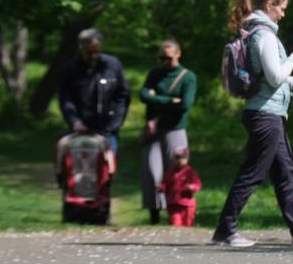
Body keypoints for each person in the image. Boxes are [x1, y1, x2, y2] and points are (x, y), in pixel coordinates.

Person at [212, 0, 293, 248]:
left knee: (285, 172)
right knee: (253, 173)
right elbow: (276, 75)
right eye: (282, 8)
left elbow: (271, 77)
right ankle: (225, 230)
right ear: (269, 5)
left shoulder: (259, 33)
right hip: (265, 116)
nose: (284, 14)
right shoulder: (263, 35)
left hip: (269, 113)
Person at [59, 28, 130, 223]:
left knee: (106, 172)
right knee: (73, 168)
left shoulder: (112, 65)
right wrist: (75, 122)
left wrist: (114, 124)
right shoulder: (71, 69)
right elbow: (66, 100)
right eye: (88, 51)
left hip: (107, 130)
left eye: (96, 50)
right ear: (80, 48)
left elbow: (123, 96)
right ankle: (72, 211)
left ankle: (101, 213)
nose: (93, 55)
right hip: (79, 128)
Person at [139, 39, 197, 224]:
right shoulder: (155, 73)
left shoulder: (188, 77)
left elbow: (185, 105)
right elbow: (143, 94)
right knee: (152, 171)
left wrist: (156, 99)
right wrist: (170, 101)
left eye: (168, 58)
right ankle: (154, 217)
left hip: (175, 129)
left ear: (178, 54)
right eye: (161, 58)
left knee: (178, 172)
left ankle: (179, 216)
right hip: (155, 130)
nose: (165, 61)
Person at [157, 146, 202, 227]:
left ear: (187, 158)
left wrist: (193, 187)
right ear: (174, 159)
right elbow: (165, 185)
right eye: (177, 158)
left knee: (188, 225)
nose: (180, 160)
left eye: (183, 158)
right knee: (175, 224)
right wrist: (160, 187)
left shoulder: (190, 172)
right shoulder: (169, 173)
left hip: (187, 204)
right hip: (173, 205)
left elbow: (198, 184)